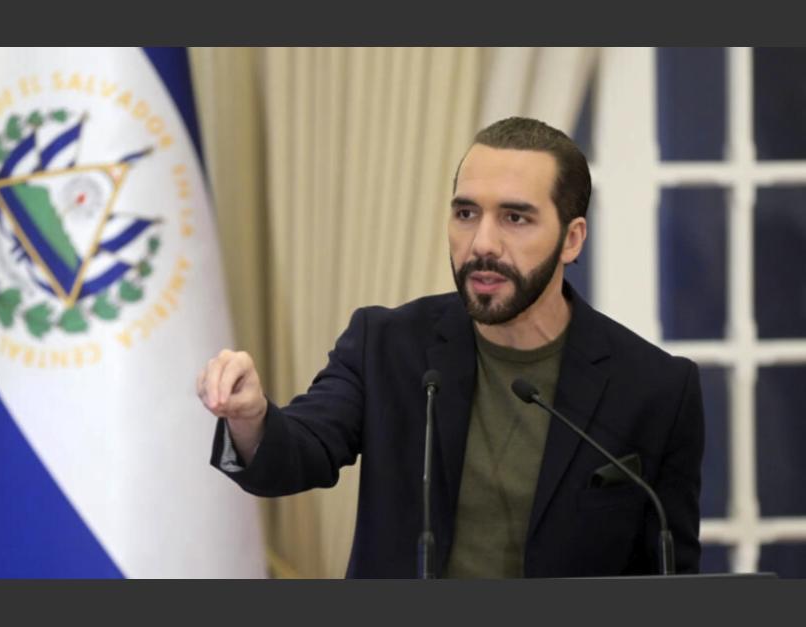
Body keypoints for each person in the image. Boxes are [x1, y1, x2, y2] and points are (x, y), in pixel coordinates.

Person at [196, 116, 704, 578]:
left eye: (515, 218)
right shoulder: (388, 344)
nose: (482, 243)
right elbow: (300, 452)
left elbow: (670, 574)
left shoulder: (656, 388)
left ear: (571, 240)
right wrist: (251, 417)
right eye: (466, 213)